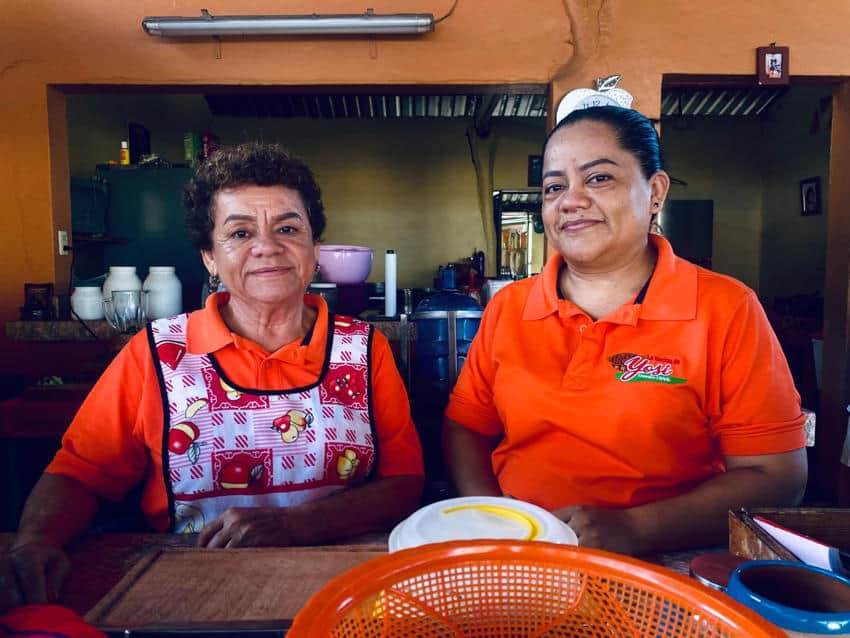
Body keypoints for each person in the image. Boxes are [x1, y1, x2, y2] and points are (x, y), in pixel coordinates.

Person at [1, 142, 424, 611]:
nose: (267, 246)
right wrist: (35, 541)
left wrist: (296, 526)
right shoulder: (158, 354)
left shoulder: (364, 349)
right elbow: (80, 474)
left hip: (340, 588)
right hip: (189, 590)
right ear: (209, 257)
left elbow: (404, 481)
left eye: (288, 228)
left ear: (314, 248)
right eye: (240, 233)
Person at [443, 105, 807, 556]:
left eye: (598, 178)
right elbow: (466, 428)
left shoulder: (726, 309)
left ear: (655, 191)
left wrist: (636, 530)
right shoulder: (510, 308)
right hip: (521, 557)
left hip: (667, 563)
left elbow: (777, 477)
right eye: (555, 187)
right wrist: (495, 518)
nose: (569, 200)